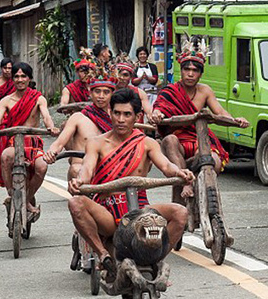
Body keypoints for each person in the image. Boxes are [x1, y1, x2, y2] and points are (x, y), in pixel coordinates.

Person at [67, 88, 193, 279]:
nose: (121, 119)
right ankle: (103, 255)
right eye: (116, 113)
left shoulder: (147, 143)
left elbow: (166, 166)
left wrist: (179, 172)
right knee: (76, 202)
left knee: (181, 213)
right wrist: (79, 181)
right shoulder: (96, 143)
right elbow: (87, 169)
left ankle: (156, 262)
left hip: (139, 211)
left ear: (137, 116)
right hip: (107, 213)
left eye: (127, 114)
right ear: (110, 113)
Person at [150, 37, 250, 202]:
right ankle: (186, 182)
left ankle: (206, 203)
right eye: (186, 69)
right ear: (180, 71)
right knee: (169, 140)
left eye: (195, 70)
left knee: (214, 161)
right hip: (178, 143)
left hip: (199, 139)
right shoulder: (170, 90)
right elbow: (159, 108)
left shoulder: (205, 91)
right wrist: (157, 114)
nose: (190, 74)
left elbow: (220, 112)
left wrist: (235, 121)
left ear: (201, 73)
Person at [0, 62, 60, 217]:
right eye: (16, 76)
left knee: (42, 167)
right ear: (12, 79)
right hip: (14, 142)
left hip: (33, 144)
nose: (19, 79)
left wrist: (51, 127)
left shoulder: (38, 98)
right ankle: (12, 195)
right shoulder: (6, 100)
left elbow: (46, 116)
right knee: (5, 157)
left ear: (29, 78)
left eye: (23, 76)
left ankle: (27, 199)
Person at [44, 77, 116, 180]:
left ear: (112, 94)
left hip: (108, 169)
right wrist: (51, 152)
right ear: (90, 93)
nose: (101, 96)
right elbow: (59, 143)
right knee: (76, 169)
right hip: (80, 170)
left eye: (106, 92)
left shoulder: (117, 118)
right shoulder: (78, 118)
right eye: (97, 92)